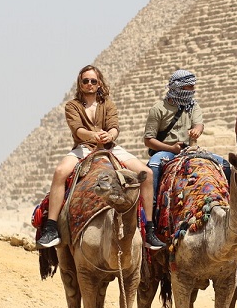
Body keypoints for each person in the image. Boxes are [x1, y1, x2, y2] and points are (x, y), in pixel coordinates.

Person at [37, 65, 162, 250]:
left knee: (147, 173)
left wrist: (110, 135)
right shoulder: (73, 106)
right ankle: (51, 227)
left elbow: (114, 126)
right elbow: (77, 129)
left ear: (99, 83)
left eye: (93, 81)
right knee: (60, 172)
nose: (89, 84)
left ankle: (149, 229)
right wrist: (92, 136)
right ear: (80, 83)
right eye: (85, 81)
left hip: (110, 147)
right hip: (84, 148)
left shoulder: (107, 103)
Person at [144, 69, 206, 197]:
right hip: (165, 151)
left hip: (189, 150)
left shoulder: (193, 105)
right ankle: (152, 204)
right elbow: (148, 140)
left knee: (223, 165)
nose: (193, 90)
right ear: (178, 87)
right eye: (190, 86)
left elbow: (198, 124)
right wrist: (171, 148)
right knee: (154, 165)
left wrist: (197, 130)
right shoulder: (158, 109)